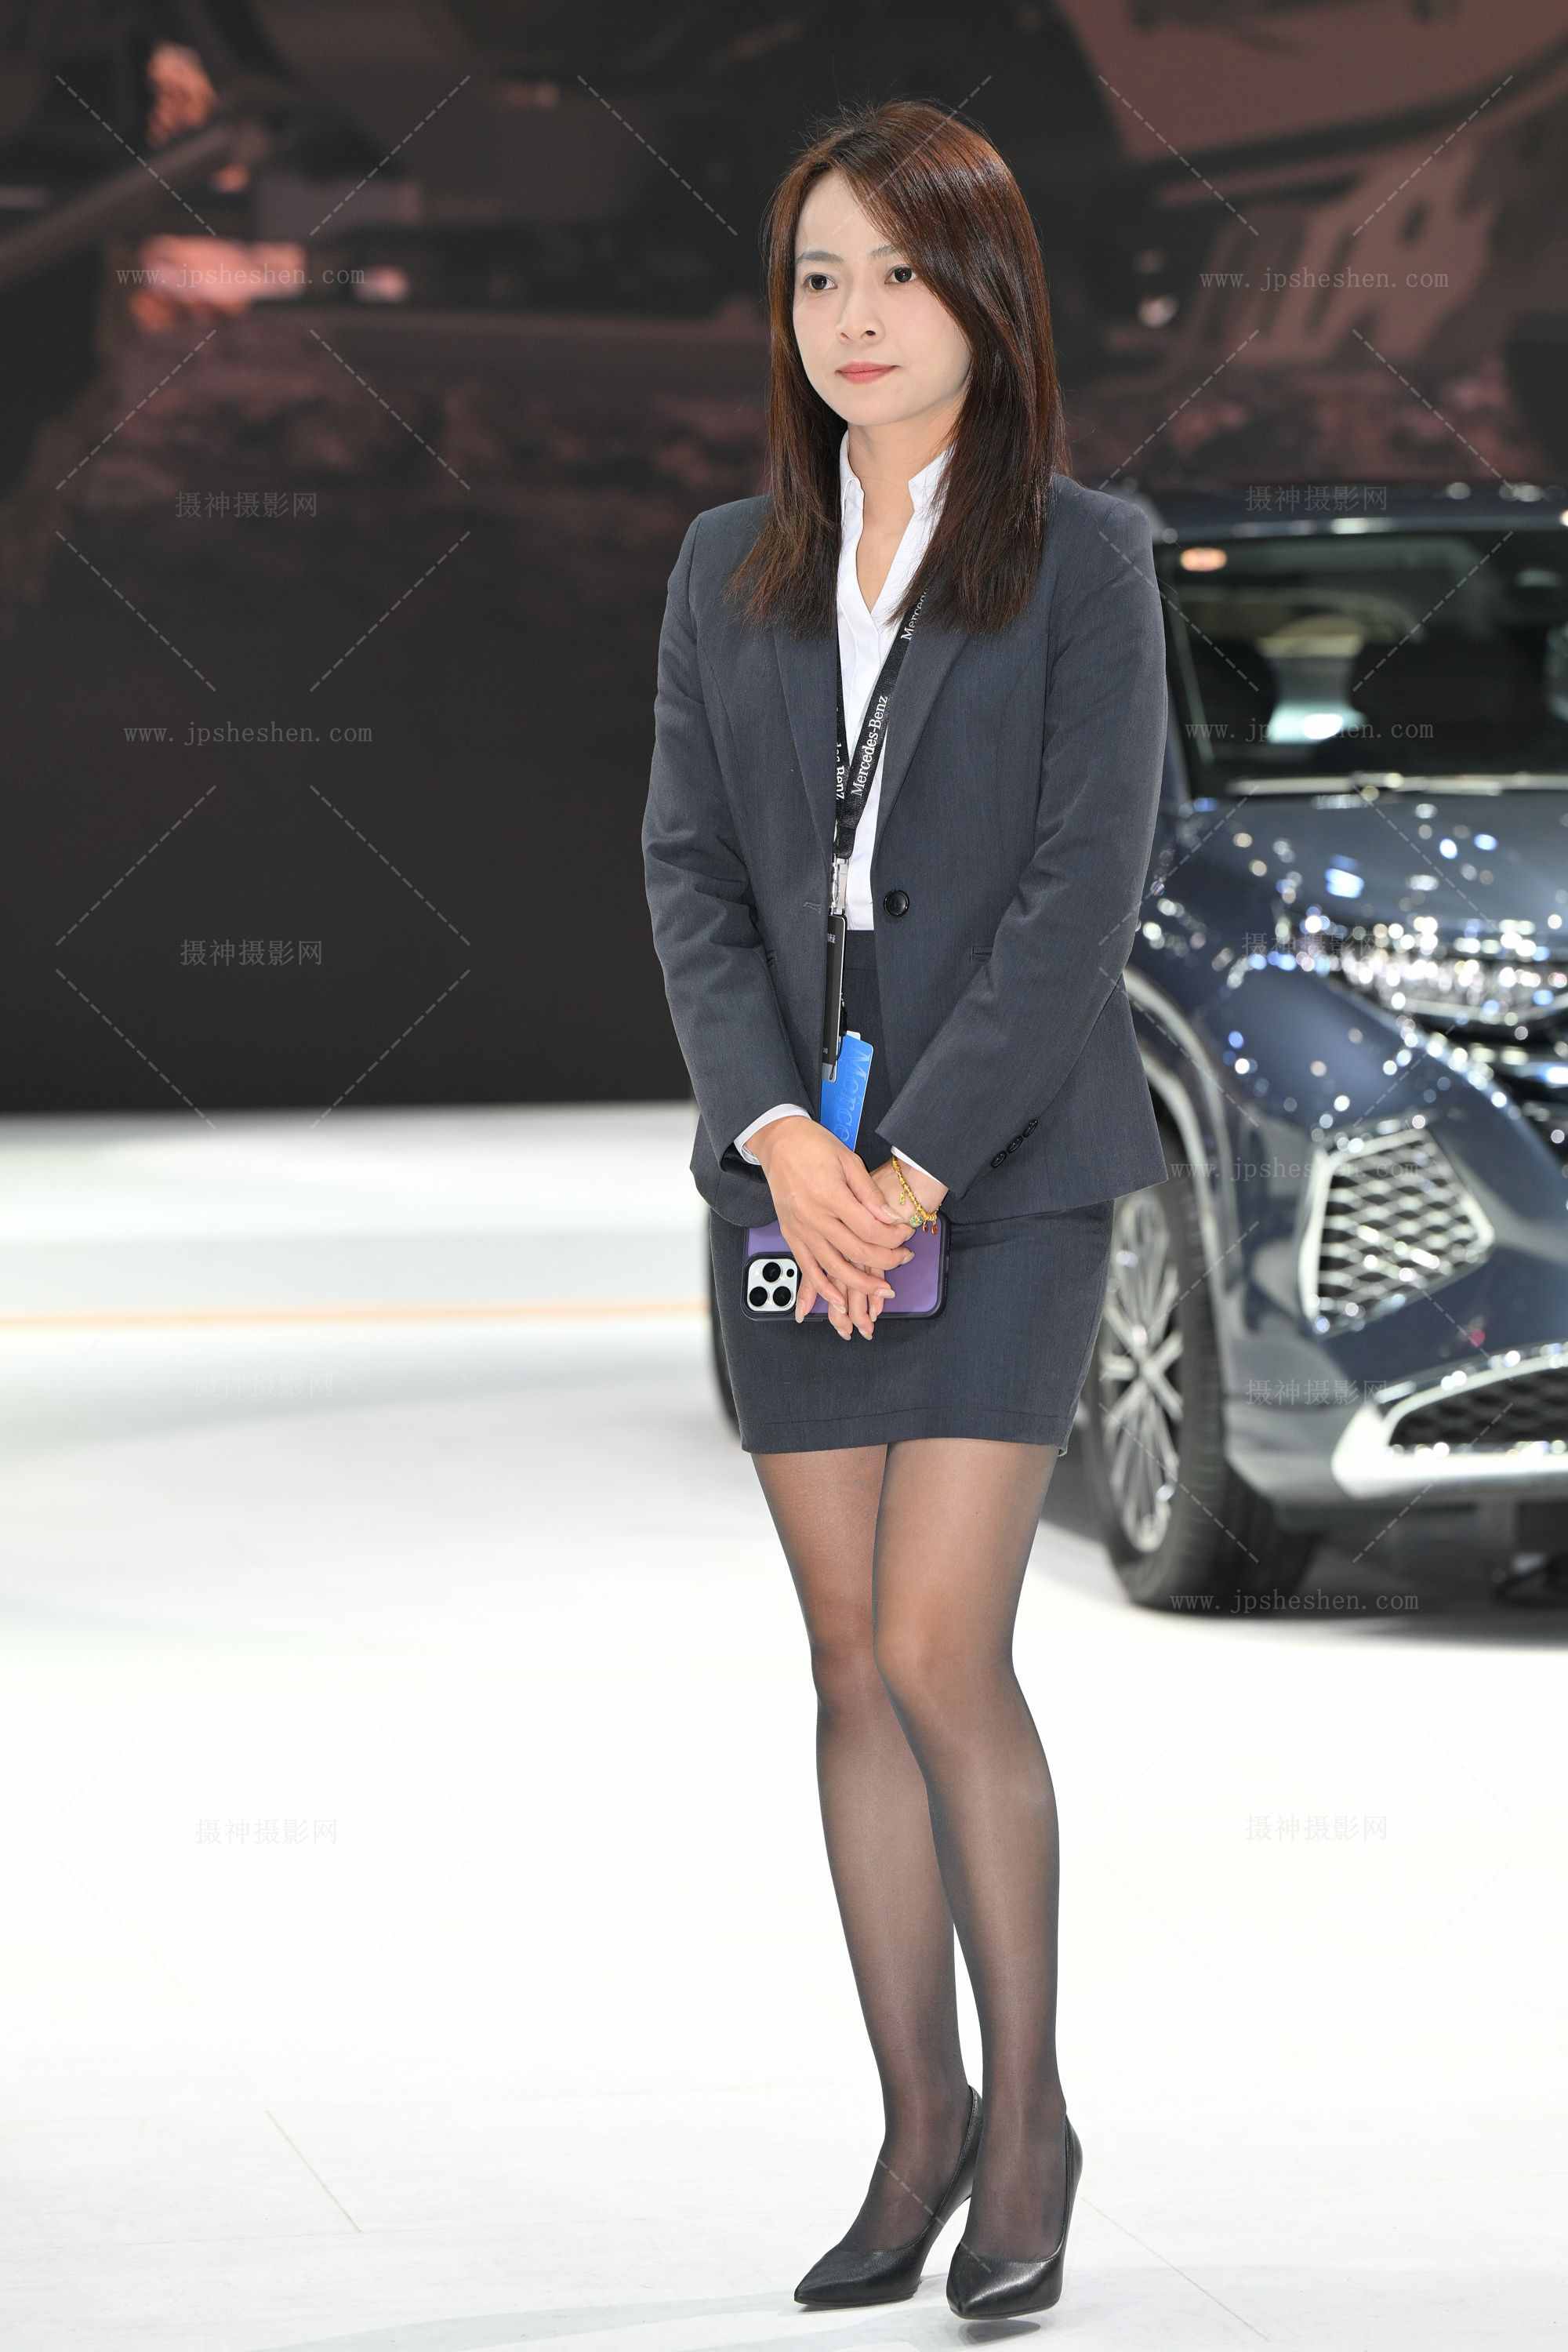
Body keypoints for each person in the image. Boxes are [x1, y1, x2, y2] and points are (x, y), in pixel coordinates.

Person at [641, 96, 1169, 2320]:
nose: (855, 316)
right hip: (795, 1181)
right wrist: (785, 1139)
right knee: (849, 1659)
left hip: (1006, 1177)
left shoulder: (1085, 557)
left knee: (946, 1646)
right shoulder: (726, 564)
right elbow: (689, 875)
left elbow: (1079, 897)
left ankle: (1029, 2118)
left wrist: (914, 1164)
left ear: (987, 295)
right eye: (817, 276)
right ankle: (917, 2120)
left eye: (900, 271)